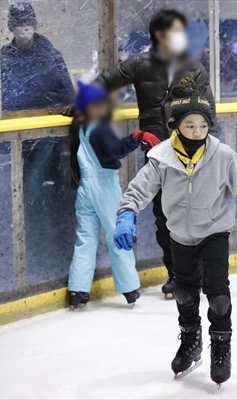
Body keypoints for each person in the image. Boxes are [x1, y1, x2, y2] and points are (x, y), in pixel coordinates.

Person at [112, 78, 237, 385]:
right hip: (180, 236)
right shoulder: (161, 158)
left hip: (214, 231)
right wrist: (127, 215)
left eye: (202, 126)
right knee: (185, 293)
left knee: (218, 294)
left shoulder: (222, 155)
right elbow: (139, 189)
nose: (197, 132)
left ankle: (221, 348)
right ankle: (190, 341)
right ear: (175, 126)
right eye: (189, 126)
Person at [93, 9, 218, 298]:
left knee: (198, 215)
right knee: (165, 219)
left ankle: (198, 272)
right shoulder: (139, 65)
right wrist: (80, 104)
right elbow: (103, 82)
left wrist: (211, 154)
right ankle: (177, 275)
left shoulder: (194, 69)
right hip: (160, 155)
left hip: (193, 153)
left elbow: (210, 115)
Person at [67, 81, 161, 308]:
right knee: (117, 233)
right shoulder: (97, 126)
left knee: (86, 238)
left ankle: (77, 290)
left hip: (85, 187)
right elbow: (114, 150)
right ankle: (129, 287)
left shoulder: (80, 126)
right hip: (104, 185)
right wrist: (136, 137)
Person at [0, 2, 74, 112]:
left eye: (28, 22)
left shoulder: (51, 56)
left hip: (46, 119)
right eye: (19, 22)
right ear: (11, 27)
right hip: (12, 120)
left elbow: (69, 97)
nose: (24, 27)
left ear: (34, 25)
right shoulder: (4, 57)